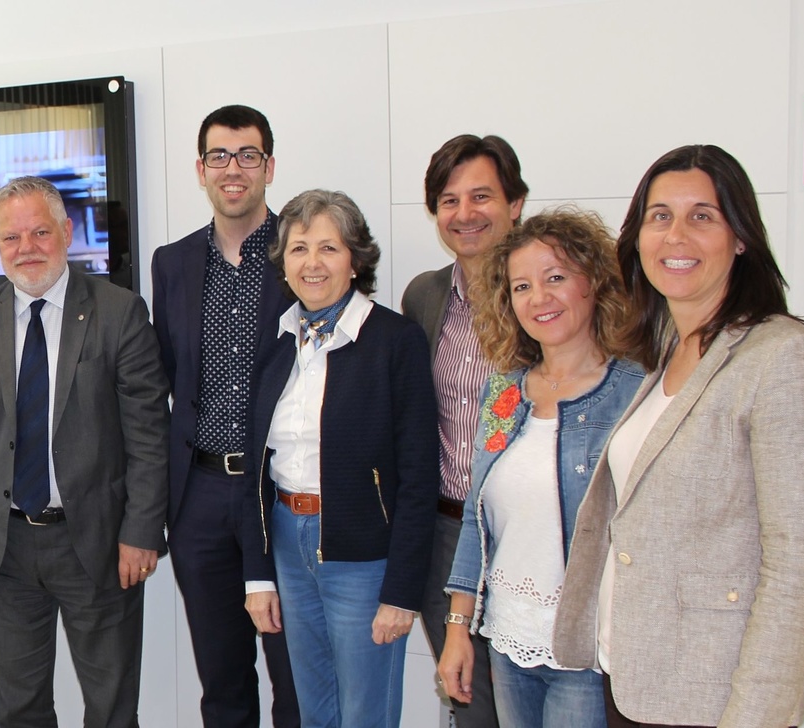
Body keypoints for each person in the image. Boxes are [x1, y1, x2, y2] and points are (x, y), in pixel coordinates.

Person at [552, 145, 804, 727]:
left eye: (702, 216)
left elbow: (797, 572)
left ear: (740, 237)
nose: (676, 236)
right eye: (659, 216)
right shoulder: (670, 354)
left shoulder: (788, 361)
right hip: (636, 683)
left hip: (716, 702)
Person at [0, 175, 169, 728]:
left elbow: (148, 434)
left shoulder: (119, 311)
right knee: (19, 705)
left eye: (40, 231)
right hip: (6, 546)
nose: (27, 248)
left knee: (111, 705)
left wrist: (141, 531)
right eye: (11, 238)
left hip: (98, 541)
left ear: (66, 232)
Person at [434, 208, 643, 728]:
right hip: (508, 638)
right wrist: (458, 628)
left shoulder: (636, 393)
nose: (539, 298)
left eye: (555, 278)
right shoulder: (504, 392)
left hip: (585, 651)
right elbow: (474, 520)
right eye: (522, 286)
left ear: (593, 282)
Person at [243, 190, 435, 728]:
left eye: (328, 247)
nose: (313, 262)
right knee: (313, 709)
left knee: (364, 713)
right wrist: (257, 576)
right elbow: (256, 467)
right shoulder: (277, 340)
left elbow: (419, 477)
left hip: (362, 554)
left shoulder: (395, 341)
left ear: (355, 257)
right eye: (299, 248)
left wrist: (401, 591)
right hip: (286, 538)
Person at [151, 103, 301, 728]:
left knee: (296, 679)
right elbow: (161, 378)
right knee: (223, 681)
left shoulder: (303, 256)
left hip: (284, 494)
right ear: (200, 169)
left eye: (246, 156)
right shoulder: (173, 262)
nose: (231, 169)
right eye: (219, 156)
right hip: (201, 497)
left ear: (268, 166)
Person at [401, 133, 529, 728]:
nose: (465, 214)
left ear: (515, 204)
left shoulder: (550, 295)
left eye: (482, 196)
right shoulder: (425, 297)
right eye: (449, 200)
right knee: (470, 706)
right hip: (447, 534)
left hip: (529, 537)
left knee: (534, 703)